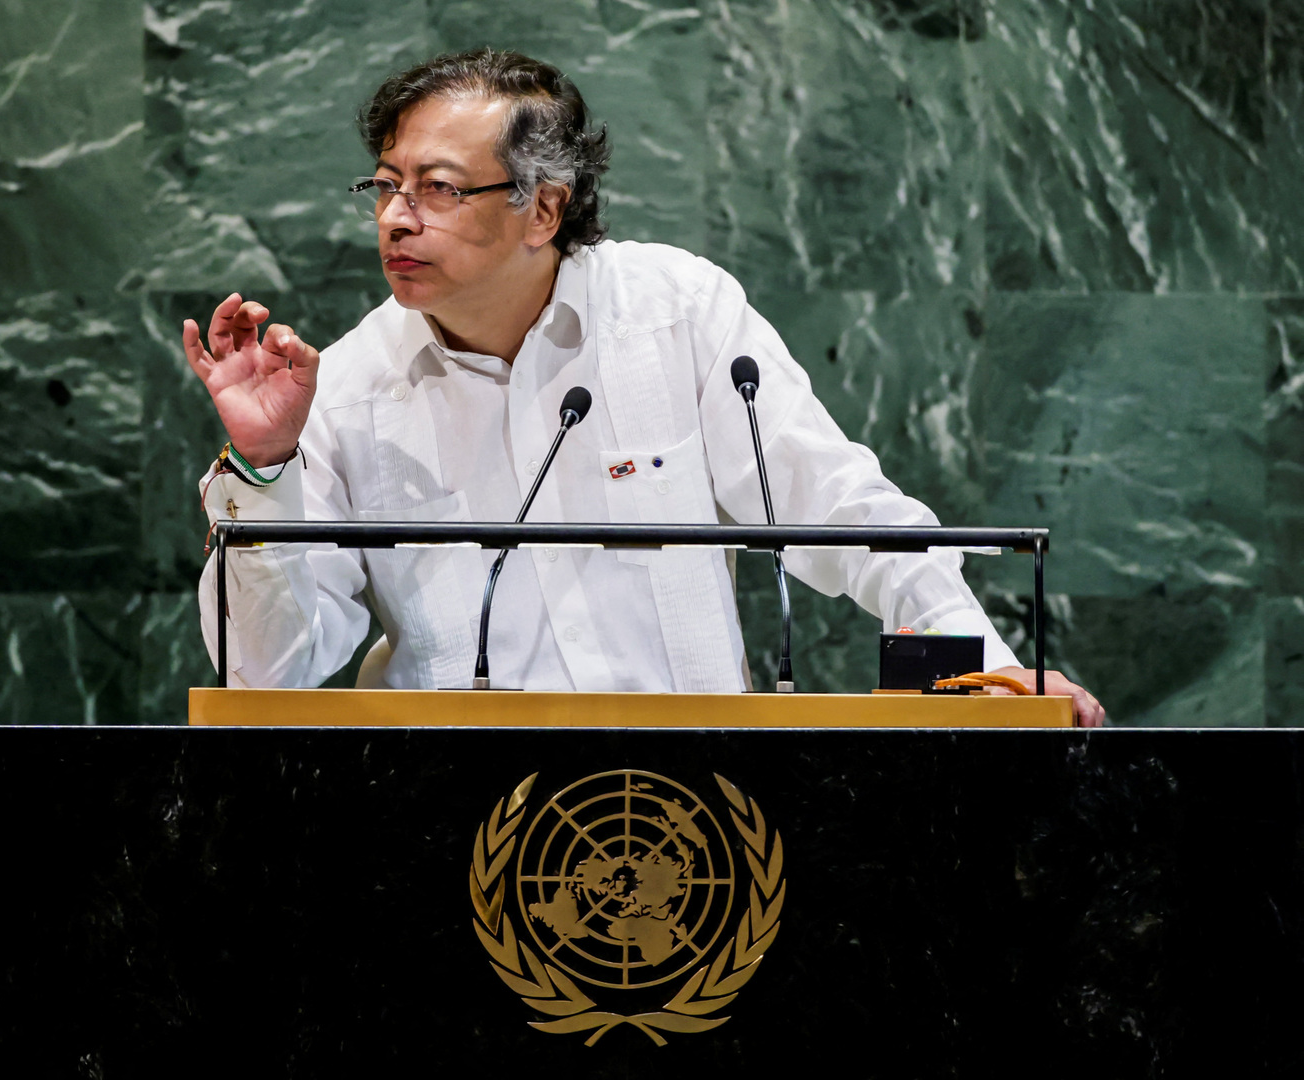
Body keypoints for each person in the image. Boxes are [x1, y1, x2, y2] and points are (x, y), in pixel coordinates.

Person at [183, 49, 1105, 727]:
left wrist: (994, 681)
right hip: (451, 830)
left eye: (436, 188)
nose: (394, 218)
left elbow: (844, 514)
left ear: (542, 207)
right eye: (384, 186)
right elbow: (273, 675)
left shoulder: (676, 313)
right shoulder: (343, 391)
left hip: (700, 811)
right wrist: (264, 469)